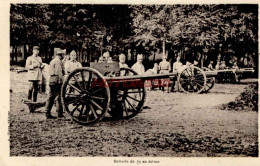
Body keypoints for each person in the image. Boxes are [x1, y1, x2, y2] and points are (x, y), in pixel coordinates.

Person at [45, 49, 66, 119]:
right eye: (63, 55)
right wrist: (61, 82)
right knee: (59, 97)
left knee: (51, 96)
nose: (64, 56)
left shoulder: (53, 60)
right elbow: (58, 72)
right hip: (56, 80)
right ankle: (59, 114)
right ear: (60, 55)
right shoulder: (57, 61)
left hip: (52, 80)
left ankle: (47, 113)